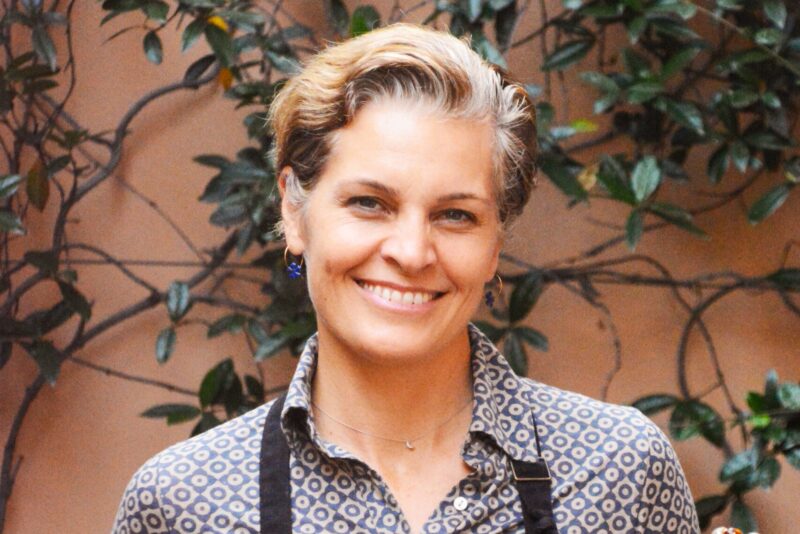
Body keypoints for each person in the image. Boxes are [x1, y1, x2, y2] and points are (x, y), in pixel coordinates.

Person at [113, 23, 700, 533]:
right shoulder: (185, 502)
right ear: (293, 210)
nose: (412, 252)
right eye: (370, 203)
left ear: (495, 243)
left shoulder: (617, 470)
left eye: (456, 215)